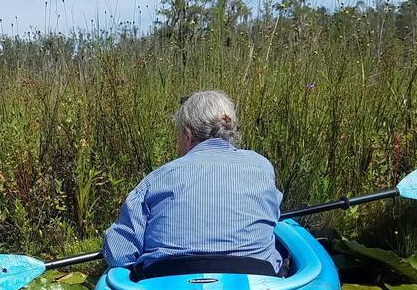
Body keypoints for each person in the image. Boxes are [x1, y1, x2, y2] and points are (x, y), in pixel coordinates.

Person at [103, 90, 284, 280]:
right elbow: (272, 214)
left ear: (188, 135)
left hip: (166, 283)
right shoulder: (261, 167)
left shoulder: (156, 179)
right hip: (257, 278)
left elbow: (120, 254)